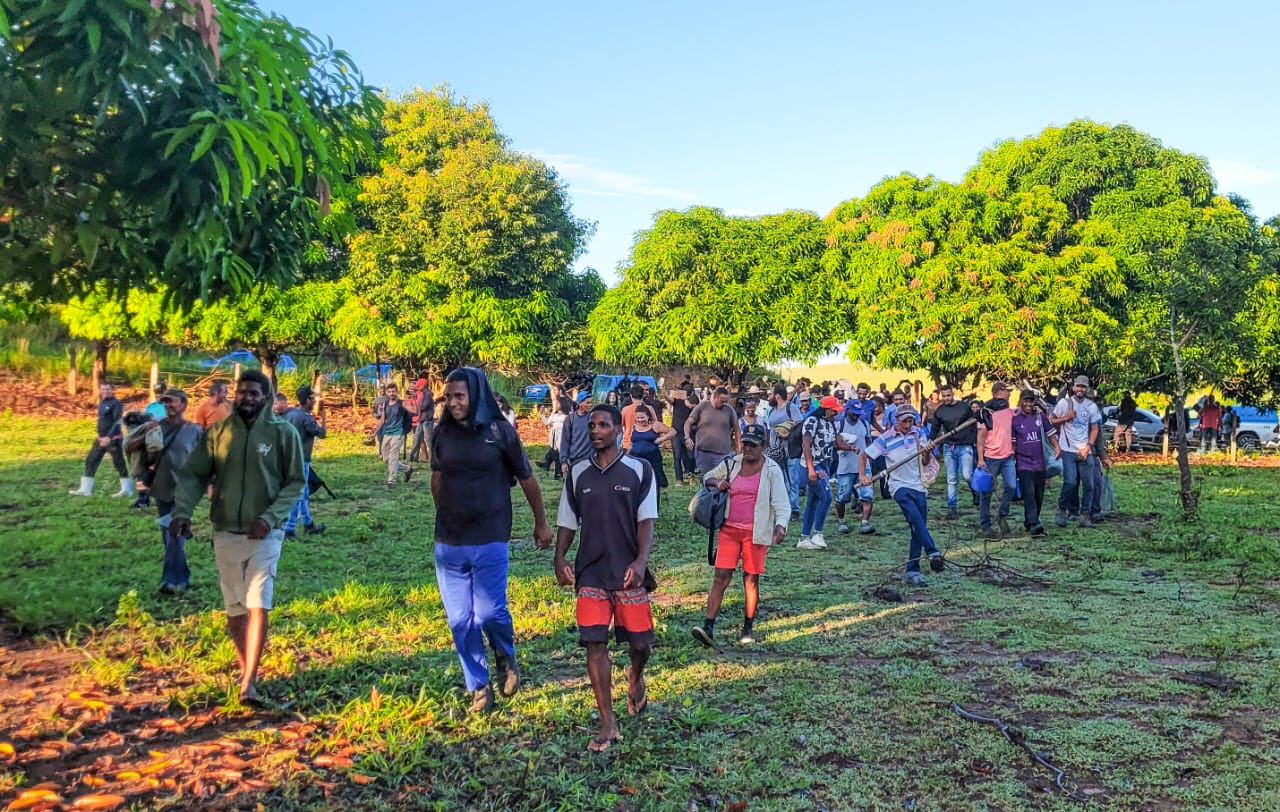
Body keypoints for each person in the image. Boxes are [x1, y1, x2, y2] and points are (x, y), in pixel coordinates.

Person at [171, 370, 306, 704]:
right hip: (226, 529)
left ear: (267, 397)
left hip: (266, 532)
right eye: (242, 392)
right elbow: (193, 475)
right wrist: (182, 512)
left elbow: (295, 482)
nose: (247, 398)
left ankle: (249, 680)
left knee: (258, 599)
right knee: (235, 608)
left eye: (254, 393)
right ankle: (248, 671)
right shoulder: (218, 433)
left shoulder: (283, 433)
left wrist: (270, 517)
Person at [432, 368, 553, 713]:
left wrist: (540, 523)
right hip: (449, 541)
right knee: (460, 619)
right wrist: (446, 513)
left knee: (488, 611)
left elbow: (527, 479)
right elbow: (437, 478)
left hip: (490, 536)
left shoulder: (500, 433)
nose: (453, 402)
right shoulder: (441, 434)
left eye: (460, 395)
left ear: (476, 395)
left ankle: (504, 653)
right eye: (449, 396)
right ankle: (479, 686)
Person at [554, 403, 657, 752]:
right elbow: (568, 520)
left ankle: (635, 677)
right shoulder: (577, 473)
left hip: (628, 573)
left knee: (641, 645)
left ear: (618, 430)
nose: (595, 430)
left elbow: (646, 521)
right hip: (591, 573)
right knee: (594, 644)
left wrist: (642, 561)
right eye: (591, 425)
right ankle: (607, 723)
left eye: (602, 425)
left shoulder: (638, 470)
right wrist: (559, 557)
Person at [691, 424, 789, 647]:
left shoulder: (772, 470)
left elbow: (782, 502)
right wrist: (718, 483)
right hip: (729, 530)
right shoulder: (731, 463)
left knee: (750, 579)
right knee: (720, 577)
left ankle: (747, 627)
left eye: (753, 444)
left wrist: (781, 526)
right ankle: (708, 626)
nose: (748, 448)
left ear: (763, 446)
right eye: (745, 443)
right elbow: (708, 477)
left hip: (755, 533)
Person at [124, 388, 202, 592]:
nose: (168, 406)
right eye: (165, 402)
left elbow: (205, 460)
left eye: (172, 402)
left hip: (184, 490)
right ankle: (181, 575)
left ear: (184, 405)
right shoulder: (155, 427)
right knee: (168, 535)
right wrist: (145, 437)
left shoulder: (194, 431)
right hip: (160, 487)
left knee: (173, 533)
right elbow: (130, 447)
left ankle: (173, 581)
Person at [860, 406, 945, 587]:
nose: (907, 424)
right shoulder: (885, 438)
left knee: (918, 526)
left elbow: (925, 461)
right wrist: (863, 476)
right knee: (915, 519)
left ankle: (913, 570)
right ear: (896, 420)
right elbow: (864, 455)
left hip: (918, 485)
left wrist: (927, 451)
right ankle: (933, 551)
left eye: (910, 420)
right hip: (898, 486)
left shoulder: (918, 434)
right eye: (904, 421)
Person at [1051, 375, 1102, 528]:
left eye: (1083, 387)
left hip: (1084, 450)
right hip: (1067, 450)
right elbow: (1051, 420)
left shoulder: (1091, 406)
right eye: (1078, 386)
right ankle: (1061, 509)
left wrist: (1088, 447)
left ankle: (1085, 515)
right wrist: (1066, 417)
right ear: (1073, 387)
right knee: (1070, 482)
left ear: (1087, 389)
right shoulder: (1064, 403)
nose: (1080, 389)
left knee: (1089, 485)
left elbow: (1095, 429)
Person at [70, 382, 131, 498]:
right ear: (100, 390)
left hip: (113, 439)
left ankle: (126, 490)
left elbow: (118, 422)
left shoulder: (116, 403)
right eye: (103, 389)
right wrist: (101, 436)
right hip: (100, 438)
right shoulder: (102, 402)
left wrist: (109, 437)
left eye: (108, 389)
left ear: (112, 390)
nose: (105, 391)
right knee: (91, 460)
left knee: (119, 463)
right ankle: (85, 489)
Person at [1011, 390, 1058, 536]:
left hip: (1040, 462)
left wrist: (1057, 447)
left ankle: (1031, 520)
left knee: (1039, 494)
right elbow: (1012, 443)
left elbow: (1050, 433)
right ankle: (1034, 524)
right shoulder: (1015, 419)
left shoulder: (1039, 416)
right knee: (1029, 493)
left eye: (1031, 401)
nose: (1028, 404)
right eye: (1025, 401)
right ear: (1020, 401)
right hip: (1023, 463)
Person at [282, 385, 327, 539]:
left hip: (288, 458)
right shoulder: (305, 417)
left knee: (304, 492)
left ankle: (308, 523)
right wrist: (323, 417)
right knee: (299, 493)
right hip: (301, 460)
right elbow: (322, 434)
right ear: (307, 400)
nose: (314, 400)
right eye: (312, 398)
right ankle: (289, 528)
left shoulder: (290, 413)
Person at [929, 385, 978, 520]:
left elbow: (973, 422)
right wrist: (930, 441)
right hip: (949, 447)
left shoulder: (964, 407)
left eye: (948, 395)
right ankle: (952, 507)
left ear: (953, 394)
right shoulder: (940, 411)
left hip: (965, 446)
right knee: (951, 479)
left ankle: (975, 491)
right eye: (944, 396)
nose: (946, 398)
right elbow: (935, 429)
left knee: (967, 475)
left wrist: (973, 439)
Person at [976, 382, 1018, 539]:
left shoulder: (1010, 411)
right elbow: (980, 437)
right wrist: (980, 459)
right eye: (1007, 391)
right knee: (986, 492)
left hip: (1007, 456)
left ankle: (1002, 515)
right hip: (991, 457)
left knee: (1011, 486)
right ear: (999, 392)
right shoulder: (986, 412)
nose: (1009, 394)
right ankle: (985, 524)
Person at [797, 395, 839, 550]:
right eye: (833, 411)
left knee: (813, 501)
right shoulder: (812, 421)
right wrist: (811, 469)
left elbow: (835, 443)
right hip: (811, 464)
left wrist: (851, 447)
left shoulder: (830, 423)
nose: (836, 413)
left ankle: (804, 536)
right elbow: (806, 446)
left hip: (824, 464)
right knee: (826, 497)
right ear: (826, 409)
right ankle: (818, 533)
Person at [833, 405, 875, 535]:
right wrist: (847, 447)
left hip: (864, 465)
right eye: (854, 413)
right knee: (842, 497)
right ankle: (841, 521)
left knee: (867, 495)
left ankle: (865, 522)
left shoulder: (864, 424)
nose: (856, 415)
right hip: (845, 467)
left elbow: (868, 442)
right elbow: (834, 443)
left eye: (858, 413)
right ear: (847, 410)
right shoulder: (839, 424)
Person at [684, 387, 740, 476]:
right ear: (715, 397)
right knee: (705, 479)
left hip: (722, 453)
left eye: (726, 401)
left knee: (720, 479)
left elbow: (737, 429)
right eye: (722, 401)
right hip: (703, 452)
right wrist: (687, 437)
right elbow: (688, 422)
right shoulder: (703, 406)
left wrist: (739, 447)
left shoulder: (729, 410)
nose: (724, 403)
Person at [627, 407, 676, 503]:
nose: (640, 420)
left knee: (653, 483)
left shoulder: (655, 425)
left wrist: (661, 439)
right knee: (637, 484)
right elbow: (630, 443)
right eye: (638, 418)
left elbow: (673, 431)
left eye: (642, 417)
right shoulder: (633, 426)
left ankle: (653, 508)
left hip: (652, 460)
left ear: (648, 416)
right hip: (636, 460)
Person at [374, 382, 416, 488]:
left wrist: (414, 399)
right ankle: (407, 469)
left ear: (397, 392)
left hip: (398, 433)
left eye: (393, 391)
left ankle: (391, 481)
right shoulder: (386, 404)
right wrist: (374, 433)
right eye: (389, 392)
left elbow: (415, 411)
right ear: (387, 393)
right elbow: (383, 419)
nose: (392, 393)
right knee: (386, 459)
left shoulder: (402, 403)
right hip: (387, 433)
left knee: (393, 458)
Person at [1088, 390, 1112, 521]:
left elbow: (1099, 437)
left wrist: (1103, 457)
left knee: (1096, 481)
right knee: (1072, 482)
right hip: (1073, 452)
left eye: (1092, 399)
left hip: (1091, 453)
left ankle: (1095, 510)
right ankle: (1072, 510)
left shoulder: (1095, 413)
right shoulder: (1072, 410)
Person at [669, 387, 698, 485]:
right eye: (692, 406)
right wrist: (663, 389)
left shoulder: (694, 410)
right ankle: (679, 479)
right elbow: (669, 399)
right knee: (677, 457)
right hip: (676, 434)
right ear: (689, 401)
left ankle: (691, 476)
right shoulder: (678, 402)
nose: (692, 408)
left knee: (690, 456)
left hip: (689, 435)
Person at [560, 392, 594, 475]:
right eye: (588, 403)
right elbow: (565, 441)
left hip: (590, 459)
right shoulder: (570, 419)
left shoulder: (593, 418)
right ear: (580, 403)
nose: (590, 405)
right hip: (574, 459)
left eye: (591, 402)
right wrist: (564, 461)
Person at [408, 378, 435, 463]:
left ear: (423, 386)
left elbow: (423, 406)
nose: (417, 388)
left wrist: (415, 405)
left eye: (418, 386)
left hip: (427, 420)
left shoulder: (428, 394)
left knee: (428, 440)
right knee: (417, 438)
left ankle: (434, 458)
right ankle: (412, 457)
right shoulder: (423, 394)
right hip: (421, 420)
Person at [539, 404, 567, 478]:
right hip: (553, 435)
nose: (557, 405)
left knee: (558, 454)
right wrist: (542, 414)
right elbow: (547, 422)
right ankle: (546, 464)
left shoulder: (566, 415)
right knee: (553, 452)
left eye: (558, 403)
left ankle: (558, 472)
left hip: (561, 436)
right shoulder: (554, 415)